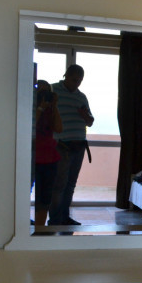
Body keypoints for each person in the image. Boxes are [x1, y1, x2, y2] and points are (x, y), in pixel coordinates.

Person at [49, 64, 94, 226]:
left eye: (80, 80)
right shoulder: (53, 91)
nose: (77, 83)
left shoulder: (81, 97)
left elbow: (90, 122)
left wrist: (84, 115)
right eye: (74, 80)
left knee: (70, 185)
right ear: (66, 76)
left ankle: (64, 217)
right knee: (59, 185)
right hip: (61, 146)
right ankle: (55, 220)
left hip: (79, 146)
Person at [32, 81, 63, 226]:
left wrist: (54, 106)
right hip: (33, 157)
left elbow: (59, 128)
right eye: (40, 93)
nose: (43, 96)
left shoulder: (51, 110)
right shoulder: (29, 108)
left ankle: (40, 229)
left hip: (49, 158)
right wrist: (39, 108)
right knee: (24, 192)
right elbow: (30, 125)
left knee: (45, 197)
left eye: (46, 93)